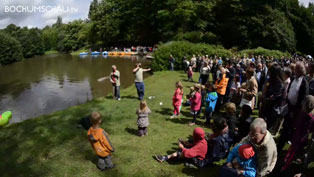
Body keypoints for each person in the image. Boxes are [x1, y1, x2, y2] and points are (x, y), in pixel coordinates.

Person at [278, 61, 309, 152]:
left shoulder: (304, 83)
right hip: (289, 106)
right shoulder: (293, 79)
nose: (294, 70)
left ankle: (283, 146)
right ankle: (282, 143)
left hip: (295, 110)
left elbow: (303, 99)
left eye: (296, 69)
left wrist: (295, 110)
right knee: (286, 127)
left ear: (300, 71)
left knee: (289, 128)